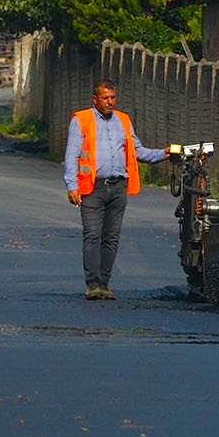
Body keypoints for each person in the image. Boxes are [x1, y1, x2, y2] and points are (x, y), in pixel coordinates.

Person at [63, 80, 169, 300]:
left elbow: (137, 151)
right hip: (92, 187)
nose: (110, 102)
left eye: (112, 97)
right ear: (95, 99)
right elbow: (72, 155)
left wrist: (164, 153)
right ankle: (92, 284)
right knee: (92, 235)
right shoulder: (81, 119)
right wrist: (71, 185)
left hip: (118, 187)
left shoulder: (123, 120)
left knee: (111, 237)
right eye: (105, 98)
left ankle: (104, 284)